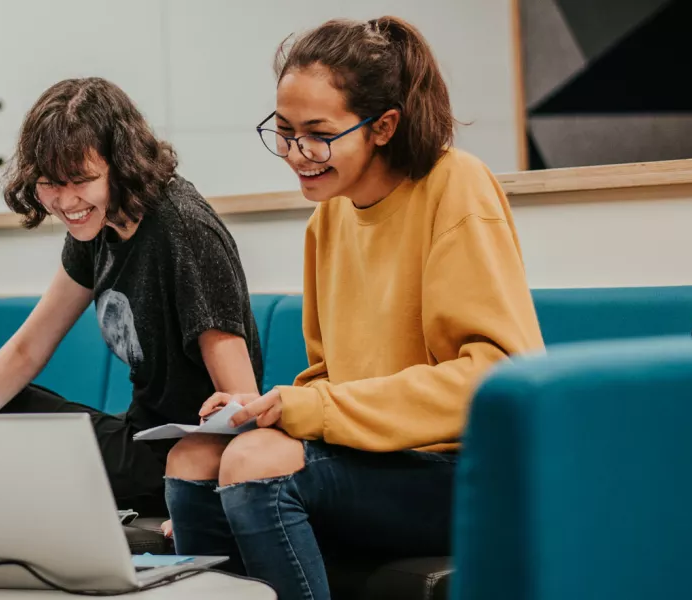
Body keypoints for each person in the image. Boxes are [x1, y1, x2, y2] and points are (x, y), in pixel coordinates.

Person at [162, 17, 545, 600]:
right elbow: (331, 378)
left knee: (256, 464)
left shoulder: (456, 186)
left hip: (468, 475)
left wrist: (306, 409)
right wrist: (260, 408)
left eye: (318, 133)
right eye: (284, 131)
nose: (297, 153)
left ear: (384, 126)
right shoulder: (330, 219)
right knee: (194, 456)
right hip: (376, 463)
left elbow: (493, 378)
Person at [0, 77, 265, 518]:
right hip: (142, 439)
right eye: (49, 183)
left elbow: (241, 396)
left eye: (80, 180)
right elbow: (27, 348)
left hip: (186, 458)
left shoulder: (183, 229)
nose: (65, 200)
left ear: (122, 163)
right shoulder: (97, 226)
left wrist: (207, 496)